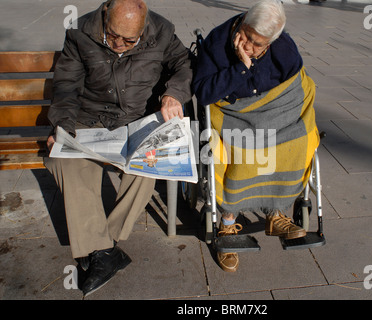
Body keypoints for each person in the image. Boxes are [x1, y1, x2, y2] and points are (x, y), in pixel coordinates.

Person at [44, 0, 192, 296]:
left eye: (130, 40)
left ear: (144, 27)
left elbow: (184, 64)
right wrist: (63, 127)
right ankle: (106, 251)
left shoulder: (162, 30)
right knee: (65, 162)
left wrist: (173, 94)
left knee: (149, 165)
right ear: (105, 16)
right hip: (89, 119)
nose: (120, 45)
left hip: (137, 120)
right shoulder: (79, 32)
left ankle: (100, 245)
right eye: (113, 37)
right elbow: (66, 86)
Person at [192, 0, 319, 272]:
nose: (249, 46)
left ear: (272, 42)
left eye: (258, 44)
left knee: (296, 141)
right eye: (247, 36)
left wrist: (280, 113)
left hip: (276, 115)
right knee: (241, 148)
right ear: (243, 22)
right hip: (233, 116)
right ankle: (227, 222)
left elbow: (297, 87)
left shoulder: (284, 48)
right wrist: (241, 67)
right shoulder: (217, 43)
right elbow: (203, 92)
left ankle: (275, 212)